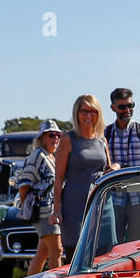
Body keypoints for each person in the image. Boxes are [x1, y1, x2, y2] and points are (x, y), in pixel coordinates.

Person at [52, 94, 114, 258]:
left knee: (105, 254)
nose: (88, 115)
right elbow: (58, 179)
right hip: (75, 205)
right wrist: (56, 210)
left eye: (93, 111)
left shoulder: (102, 140)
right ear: (77, 113)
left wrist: (116, 167)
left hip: (102, 203)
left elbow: (107, 168)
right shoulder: (68, 139)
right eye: (84, 111)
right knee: (78, 254)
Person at [104, 88, 140, 243]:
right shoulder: (106, 134)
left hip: (139, 198)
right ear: (113, 108)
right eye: (122, 107)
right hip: (115, 198)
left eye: (131, 105)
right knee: (113, 245)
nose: (128, 110)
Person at [17, 120, 64, 275]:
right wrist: (26, 207)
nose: (56, 138)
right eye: (51, 135)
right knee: (56, 251)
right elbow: (24, 184)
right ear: (42, 138)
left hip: (52, 210)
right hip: (44, 212)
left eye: (58, 135)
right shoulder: (37, 156)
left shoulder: (51, 157)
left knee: (43, 253)